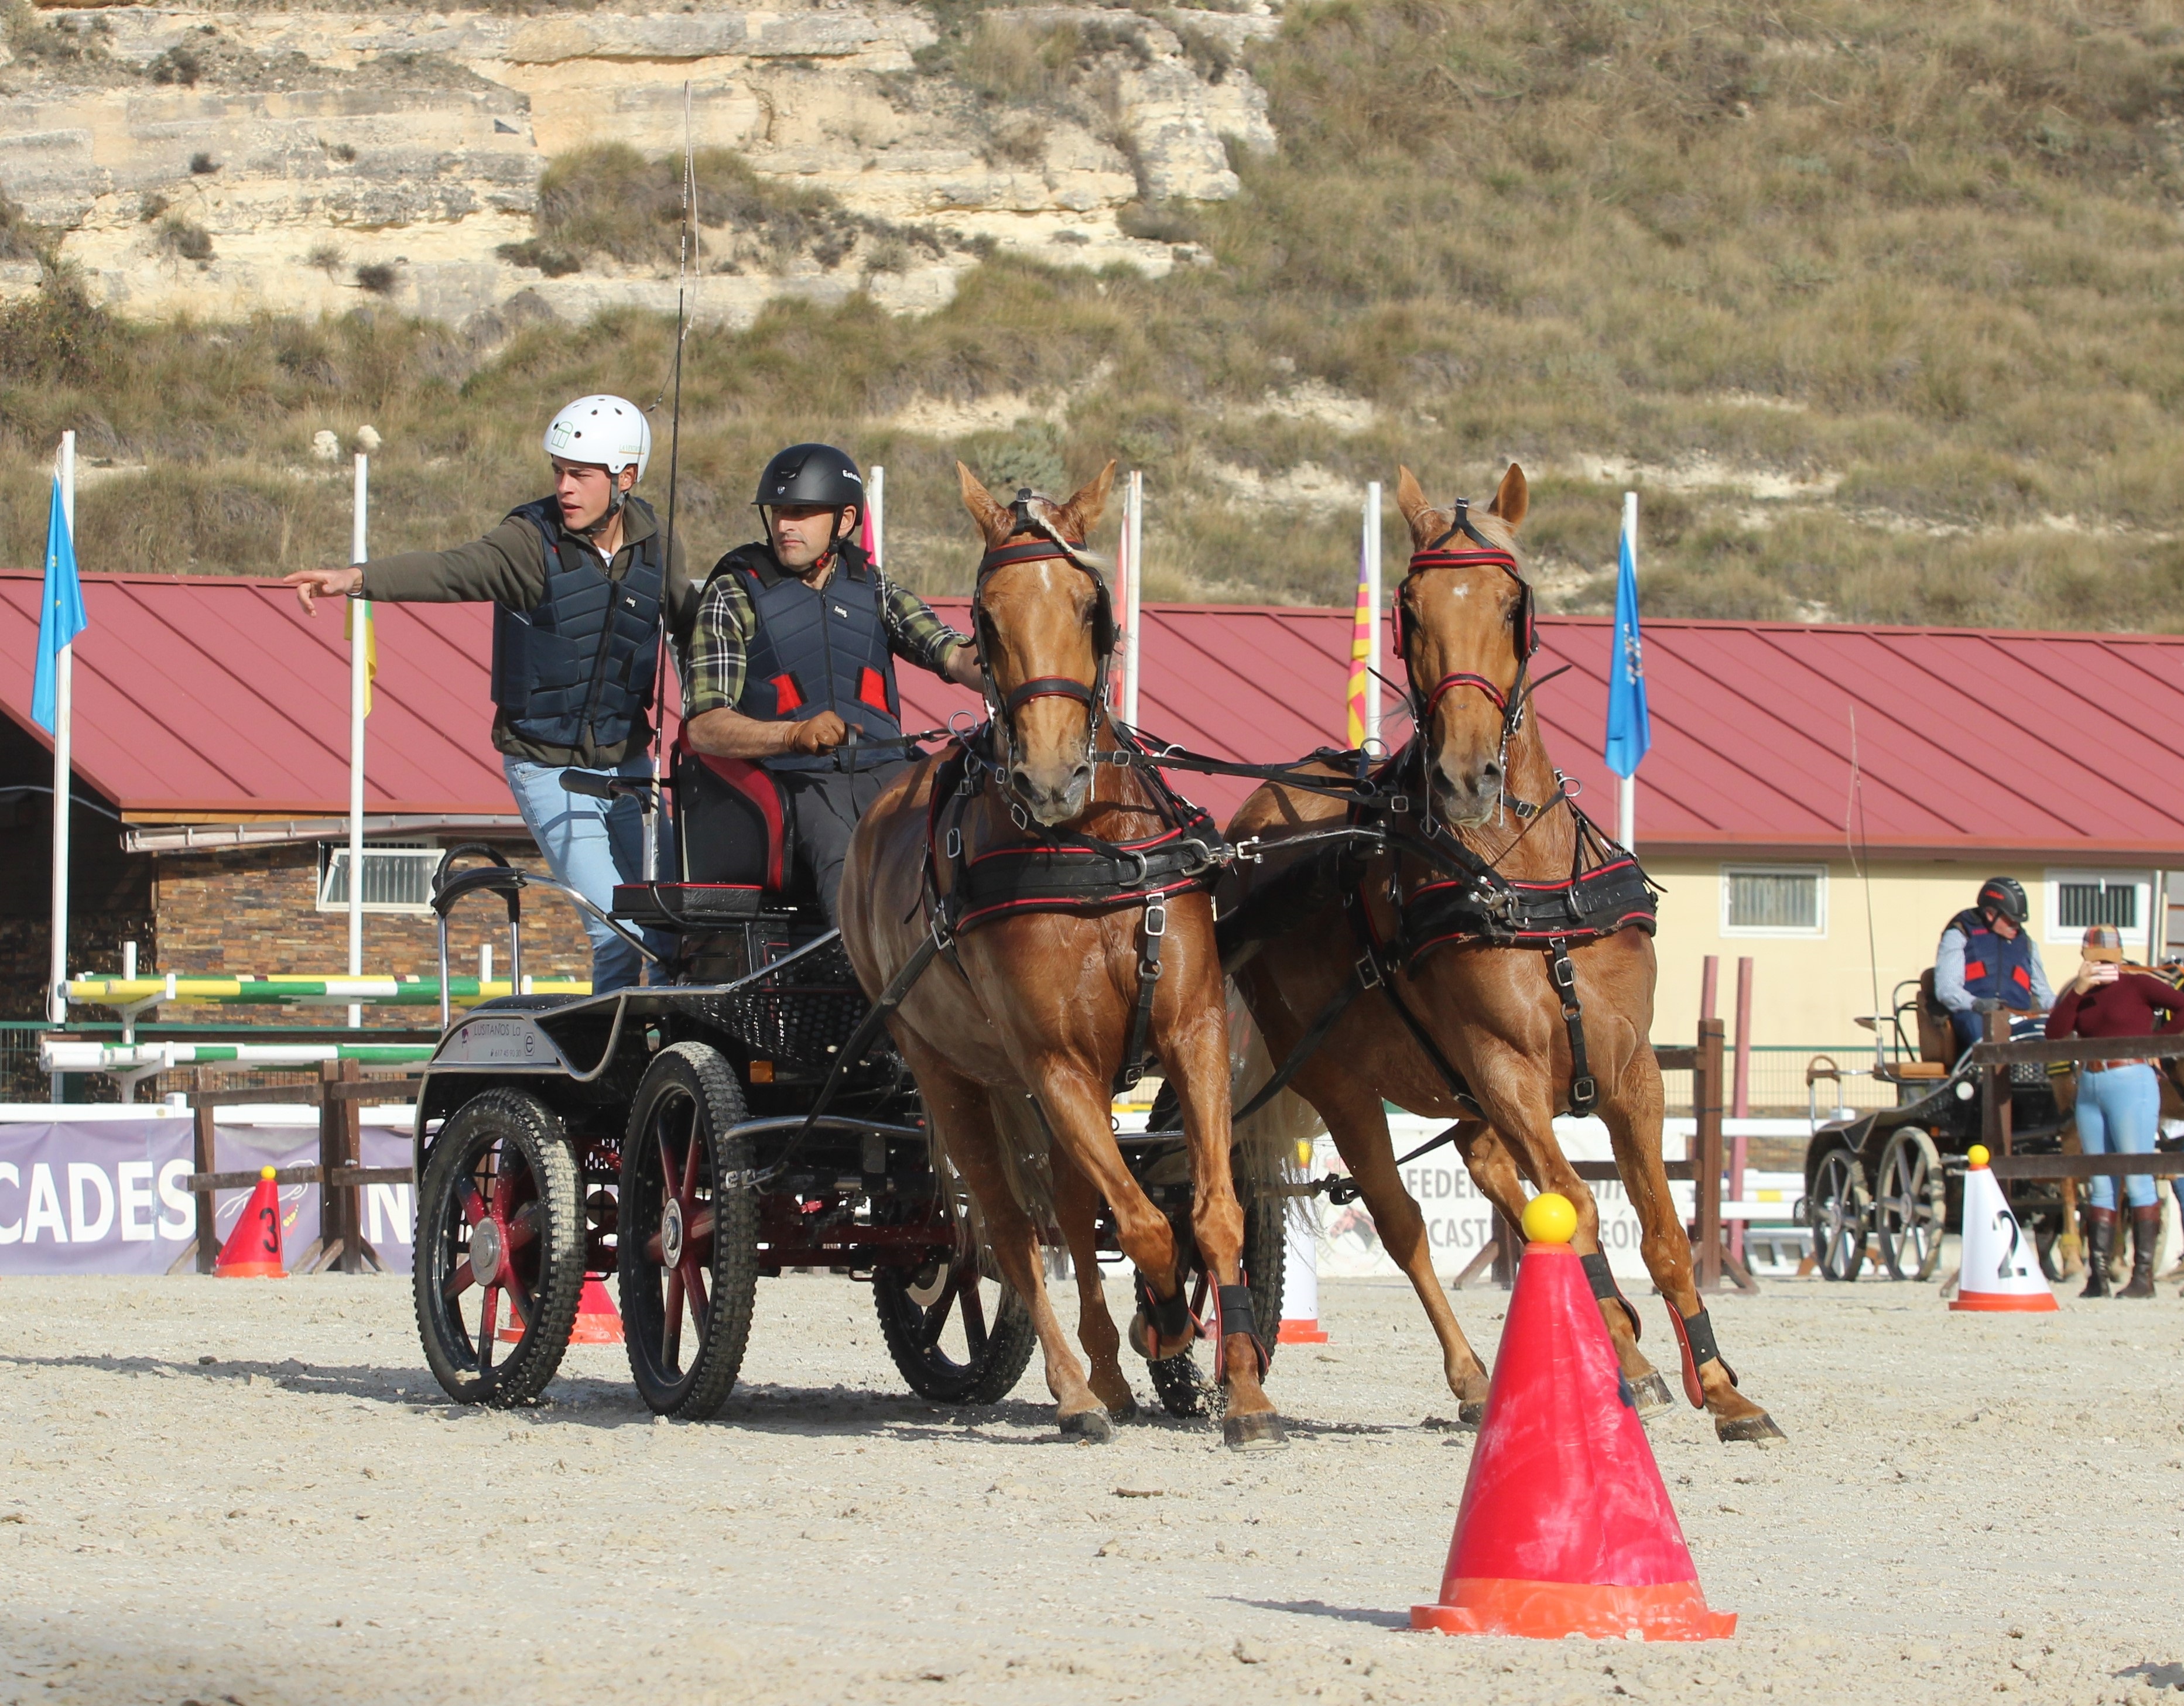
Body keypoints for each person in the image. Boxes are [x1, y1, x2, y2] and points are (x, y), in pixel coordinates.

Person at [283, 395, 696, 993]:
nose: (565, 487)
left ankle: (671, 1057)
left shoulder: (659, 545)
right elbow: (453, 569)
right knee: (614, 930)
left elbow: (693, 630)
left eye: (580, 474)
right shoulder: (528, 542)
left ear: (625, 478)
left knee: (667, 928)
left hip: (627, 765)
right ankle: (618, 1074)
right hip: (547, 766)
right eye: (558, 471)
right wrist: (355, 579)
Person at [682, 443, 983, 924]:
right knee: (850, 858)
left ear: (844, 521)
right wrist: (792, 734)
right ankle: (858, 987)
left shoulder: (873, 585)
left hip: (890, 768)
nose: (784, 525)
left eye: (801, 512)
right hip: (796, 780)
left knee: (973, 822)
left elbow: (953, 654)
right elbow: (705, 727)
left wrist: (1015, 669)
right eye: (779, 511)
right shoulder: (734, 591)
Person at [2046, 923, 2183, 1299]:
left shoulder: (2139, 985)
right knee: (2100, 1181)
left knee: (2137, 1176)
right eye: (2096, 959)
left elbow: (2182, 1005)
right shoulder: (2082, 994)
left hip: (2130, 1077)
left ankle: (2143, 1278)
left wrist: (2154, 1042)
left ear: (2120, 957)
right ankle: (2099, 1274)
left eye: (2109, 959)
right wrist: (2077, 990)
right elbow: (2055, 1033)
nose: (2103, 966)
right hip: (2090, 1082)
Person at [1934, 876, 2053, 1056]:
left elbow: (2043, 994)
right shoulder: (1961, 933)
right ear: (1990, 914)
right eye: (2011, 920)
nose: (2016, 926)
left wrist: (2068, 1005)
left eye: (2019, 922)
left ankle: (2042, 1081)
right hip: (1974, 1014)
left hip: (2018, 1017)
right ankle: (1988, 1078)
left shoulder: (2027, 944)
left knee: (2052, 1032)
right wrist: (1977, 1004)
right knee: (1984, 1032)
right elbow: (1947, 989)